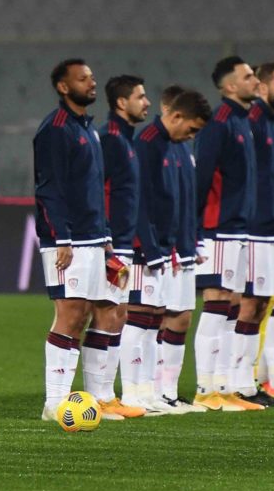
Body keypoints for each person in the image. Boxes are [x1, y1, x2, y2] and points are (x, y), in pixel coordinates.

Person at [35, 59, 115, 421]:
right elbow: (49, 188)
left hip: (93, 237)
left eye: (92, 76)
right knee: (69, 315)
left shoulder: (88, 128)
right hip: (66, 239)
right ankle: (54, 403)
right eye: (83, 78)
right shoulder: (55, 129)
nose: (91, 82)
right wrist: (61, 237)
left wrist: (106, 236)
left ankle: (92, 398)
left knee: (87, 313)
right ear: (64, 88)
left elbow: (94, 188)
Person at [137, 87, 212, 412]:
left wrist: (189, 241)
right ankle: (145, 391)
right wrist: (153, 245)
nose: (191, 135)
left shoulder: (178, 147)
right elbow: (141, 199)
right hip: (156, 246)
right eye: (192, 129)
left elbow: (185, 199)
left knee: (179, 318)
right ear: (176, 114)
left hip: (177, 245)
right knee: (147, 318)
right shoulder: (149, 143)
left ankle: (165, 392)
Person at [192, 56, 260, 412]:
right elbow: (202, 176)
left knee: (232, 307)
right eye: (249, 76)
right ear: (230, 85)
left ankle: (224, 384)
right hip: (217, 227)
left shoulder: (242, 121)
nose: (255, 81)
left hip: (237, 227)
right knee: (217, 306)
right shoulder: (219, 123)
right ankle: (206, 387)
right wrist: (196, 224)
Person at [228, 62, 274, 409]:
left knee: (260, 305)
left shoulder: (269, 123)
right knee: (247, 304)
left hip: (269, 231)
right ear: (264, 89)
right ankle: (233, 382)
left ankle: (246, 383)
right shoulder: (253, 122)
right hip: (253, 230)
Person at [97, 75, 154, 418]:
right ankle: (96, 394)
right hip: (109, 240)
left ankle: (106, 394)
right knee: (105, 314)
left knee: (118, 315)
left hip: (123, 240)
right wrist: (104, 238)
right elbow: (95, 189)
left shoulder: (127, 140)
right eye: (140, 96)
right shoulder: (110, 140)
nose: (147, 103)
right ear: (122, 103)